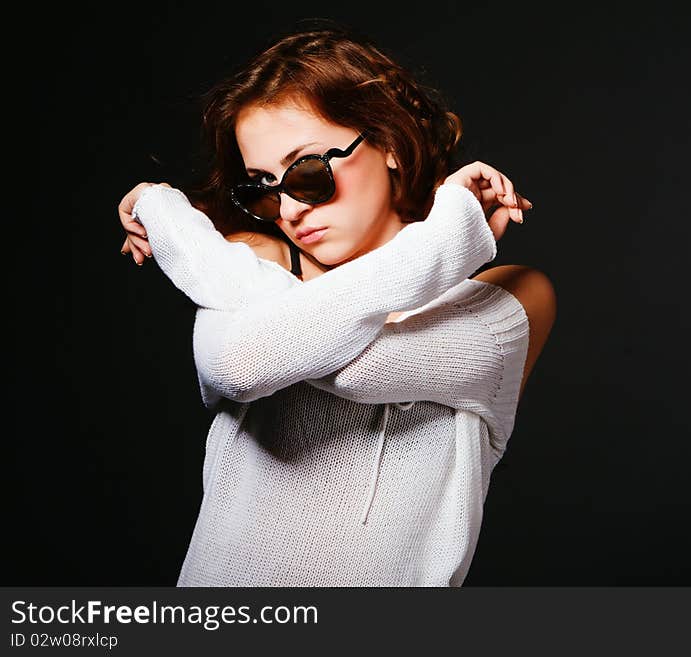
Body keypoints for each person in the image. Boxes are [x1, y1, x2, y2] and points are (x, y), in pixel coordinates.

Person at [117, 20, 556, 586]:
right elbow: (242, 363)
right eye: (262, 188)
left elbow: (365, 368)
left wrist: (170, 222)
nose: (290, 208)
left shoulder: (513, 297)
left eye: (307, 171)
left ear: (391, 146)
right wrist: (447, 237)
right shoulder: (255, 255)